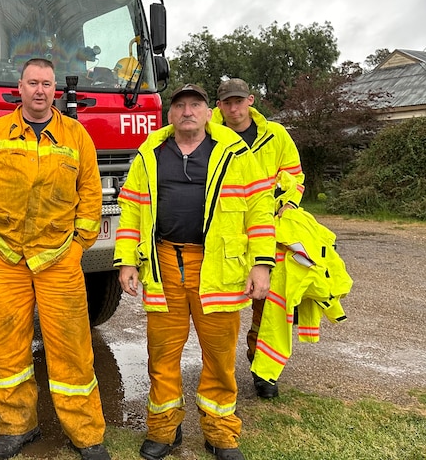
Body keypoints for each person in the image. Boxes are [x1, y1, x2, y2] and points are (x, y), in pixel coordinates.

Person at [115, 84, 276, 460]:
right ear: (170, 115)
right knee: (162, 356)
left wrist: (262, 264)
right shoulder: (150, 154)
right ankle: (164, 430)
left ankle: (220, 433)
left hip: (218, 268)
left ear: (209, 113)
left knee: (219, 357)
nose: (187, 111)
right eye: (180, 106)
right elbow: (132, 211)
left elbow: (260, 211)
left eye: (196, 105)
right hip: (164, 264)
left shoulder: (236, 154)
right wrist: (125, 260)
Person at [0, 58, 110, 460]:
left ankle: (86, 434)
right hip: (5, 257)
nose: (40, 90)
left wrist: (79, 244)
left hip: (59, 257)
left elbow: (91, 196)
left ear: (55, 91)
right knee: (7, 348)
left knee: (73, 349)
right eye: (33, 83)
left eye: (47, 84)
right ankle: (16, 425)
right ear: (20, 88)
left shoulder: (76, 135)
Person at [212, 78, 305, 399]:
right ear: (219, 105)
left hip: (265, 231)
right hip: (222, 233)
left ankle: (262, 368)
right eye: (227, 102)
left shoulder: (276, 135)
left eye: (239, 101)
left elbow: (295, 175)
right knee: (220, 306)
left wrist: (289, 203)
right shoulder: (208, 133)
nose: (234, 108)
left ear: (251, 100)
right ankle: (217, 370)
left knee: (265, 304)